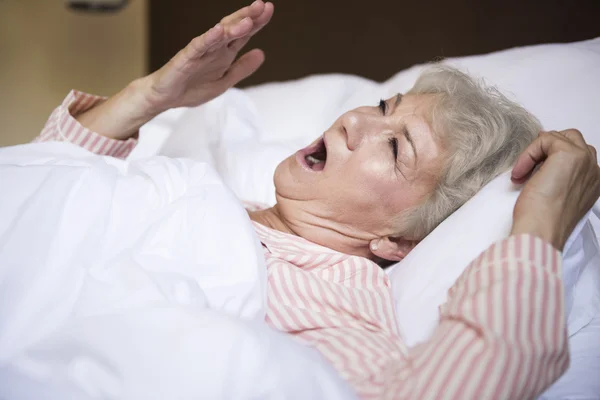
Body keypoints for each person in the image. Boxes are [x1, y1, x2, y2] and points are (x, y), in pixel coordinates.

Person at [31, 1, 600, 398]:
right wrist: (148, 97)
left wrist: (540, 228)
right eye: (383, 108)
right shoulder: (226, 204)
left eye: (397, 146)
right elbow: (41, 188)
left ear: (398, 238)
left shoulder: (333, 296)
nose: (353, 120)